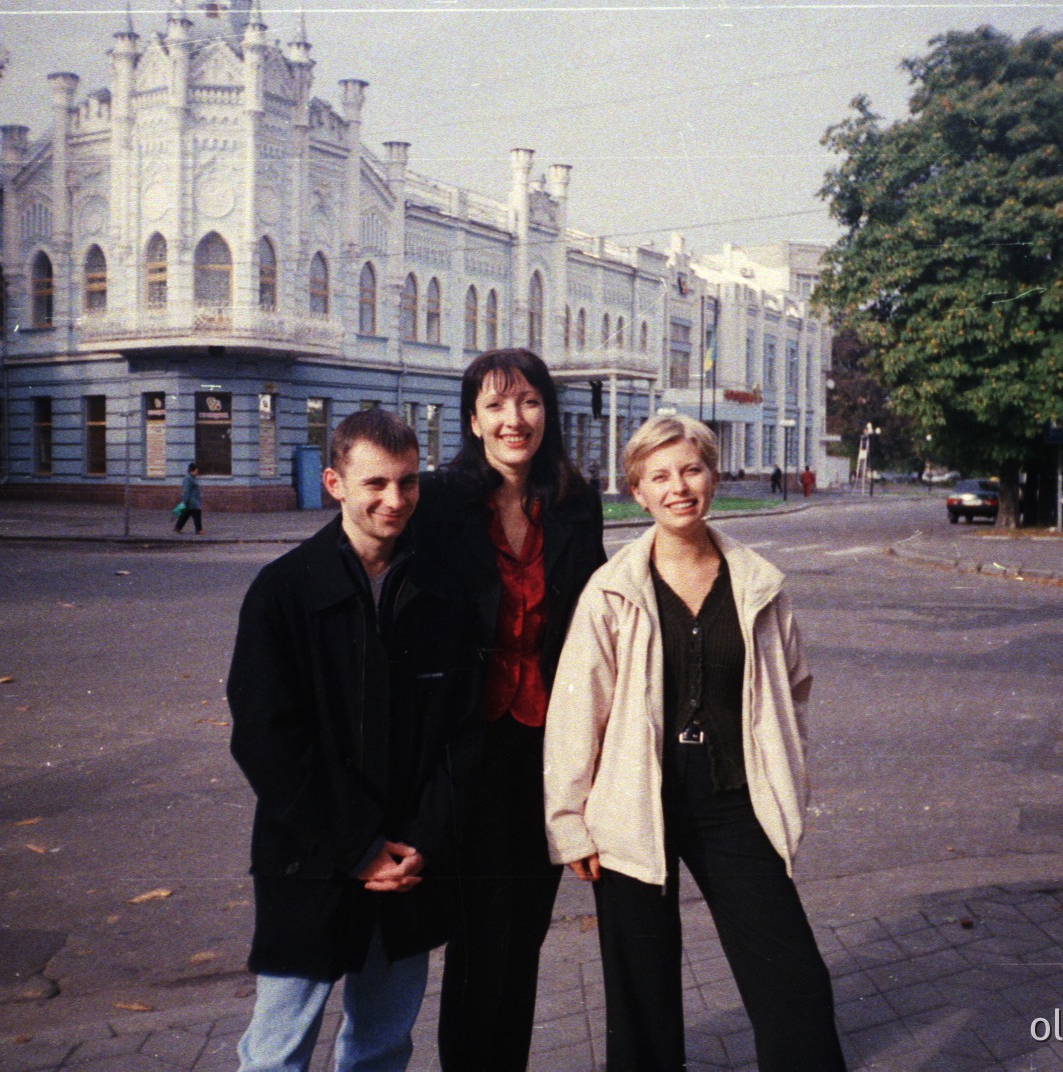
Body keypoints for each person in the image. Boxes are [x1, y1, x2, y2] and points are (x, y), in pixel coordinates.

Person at [545, 415, 846, 1072]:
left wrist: (780, 765)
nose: (678, 487)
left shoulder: (759, 583)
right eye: (660, 476)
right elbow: (576, 711)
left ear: (711, 475)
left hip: (733, 796)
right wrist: (570, 824)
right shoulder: (613, 590)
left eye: (691, 469)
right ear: (638, 492)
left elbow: (792, 685)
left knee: (793, 978)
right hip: (632, 801)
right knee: (641, 993)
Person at [226, 408, 483, 1072]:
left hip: (409, 864)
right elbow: (265, 739)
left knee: (381, 1045)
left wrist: (423, 840)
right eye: (375, 484)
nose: (393, 501)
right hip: (310, 857)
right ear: (335, 482)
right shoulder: (283, 591)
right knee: (277, 1050)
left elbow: (463, 731)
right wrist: (359, 846)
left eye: (406, 482)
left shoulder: (440, 591)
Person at [410, 348, 606, 1071]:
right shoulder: (440, 502)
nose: (513, 419)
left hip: (551, 748)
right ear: (473, 420)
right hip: (472, 748)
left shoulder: (574, 502)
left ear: (546, 413)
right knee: (480, 934)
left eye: (526, 402)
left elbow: (596, 621)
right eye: (495, 405)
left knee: (523, 932)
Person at [174, 462, 204, 535]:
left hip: (193, 501)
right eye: (196, 471)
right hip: (192, 501)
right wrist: (185, 501)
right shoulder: (188, 478)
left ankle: (177, 527)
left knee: (185, 515)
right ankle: (199, 530)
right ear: (192, 471)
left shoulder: (192, 478)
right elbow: (186, 490)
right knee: (197, 515)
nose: (197, 473)